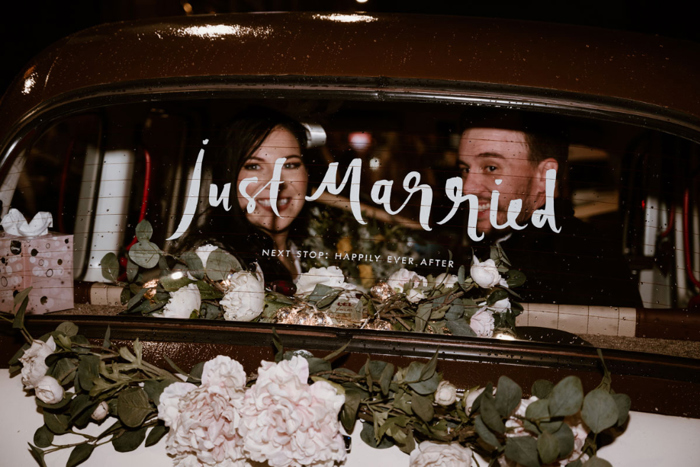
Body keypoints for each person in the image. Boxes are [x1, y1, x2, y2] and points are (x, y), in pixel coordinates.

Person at [458, 111, 642, 308]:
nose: (467, 188)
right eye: (465, 169)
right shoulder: (492, 243)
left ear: (545, 176)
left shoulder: (579, 262)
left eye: (491, 168)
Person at [180, 107, 311, 284]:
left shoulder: (305, 252)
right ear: (229, 178)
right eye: (254, 166)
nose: (275, 182)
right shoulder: (214, 264)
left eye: (290, 165)